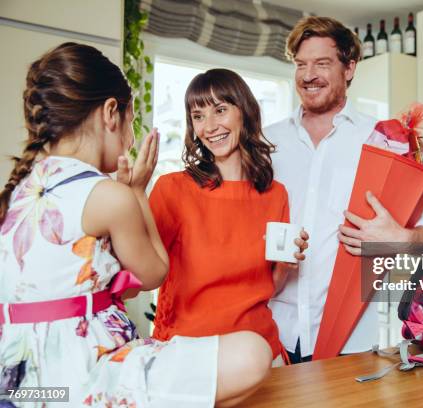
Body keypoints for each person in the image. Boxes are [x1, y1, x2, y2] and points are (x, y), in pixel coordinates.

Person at [0, 43, 271, 407]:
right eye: (132, 118)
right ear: (112, 113)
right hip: (78, 380)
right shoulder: (112, 195)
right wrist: (138, 192)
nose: (131, 134)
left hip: (19, 381)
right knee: (253, 352)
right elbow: (154, 274)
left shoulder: (19, 189)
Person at [265, 17, 423, 364]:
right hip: (273, 333)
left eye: (322, 63)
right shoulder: (266, 141)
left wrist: (402, 239)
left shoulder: (384, 139)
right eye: (300, 64)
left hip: (351, 340)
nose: (308, 75)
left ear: (349, 68)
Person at [149, 69, 308, 366]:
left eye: (220, 110)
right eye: (198, 116)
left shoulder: (275, 194)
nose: (209, 126)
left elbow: (266, 288)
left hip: (261, 352)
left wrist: (286, 266)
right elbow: (143, 275)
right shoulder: (172, 190)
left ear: (244, 113)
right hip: (189, 355)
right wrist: (131, 192)